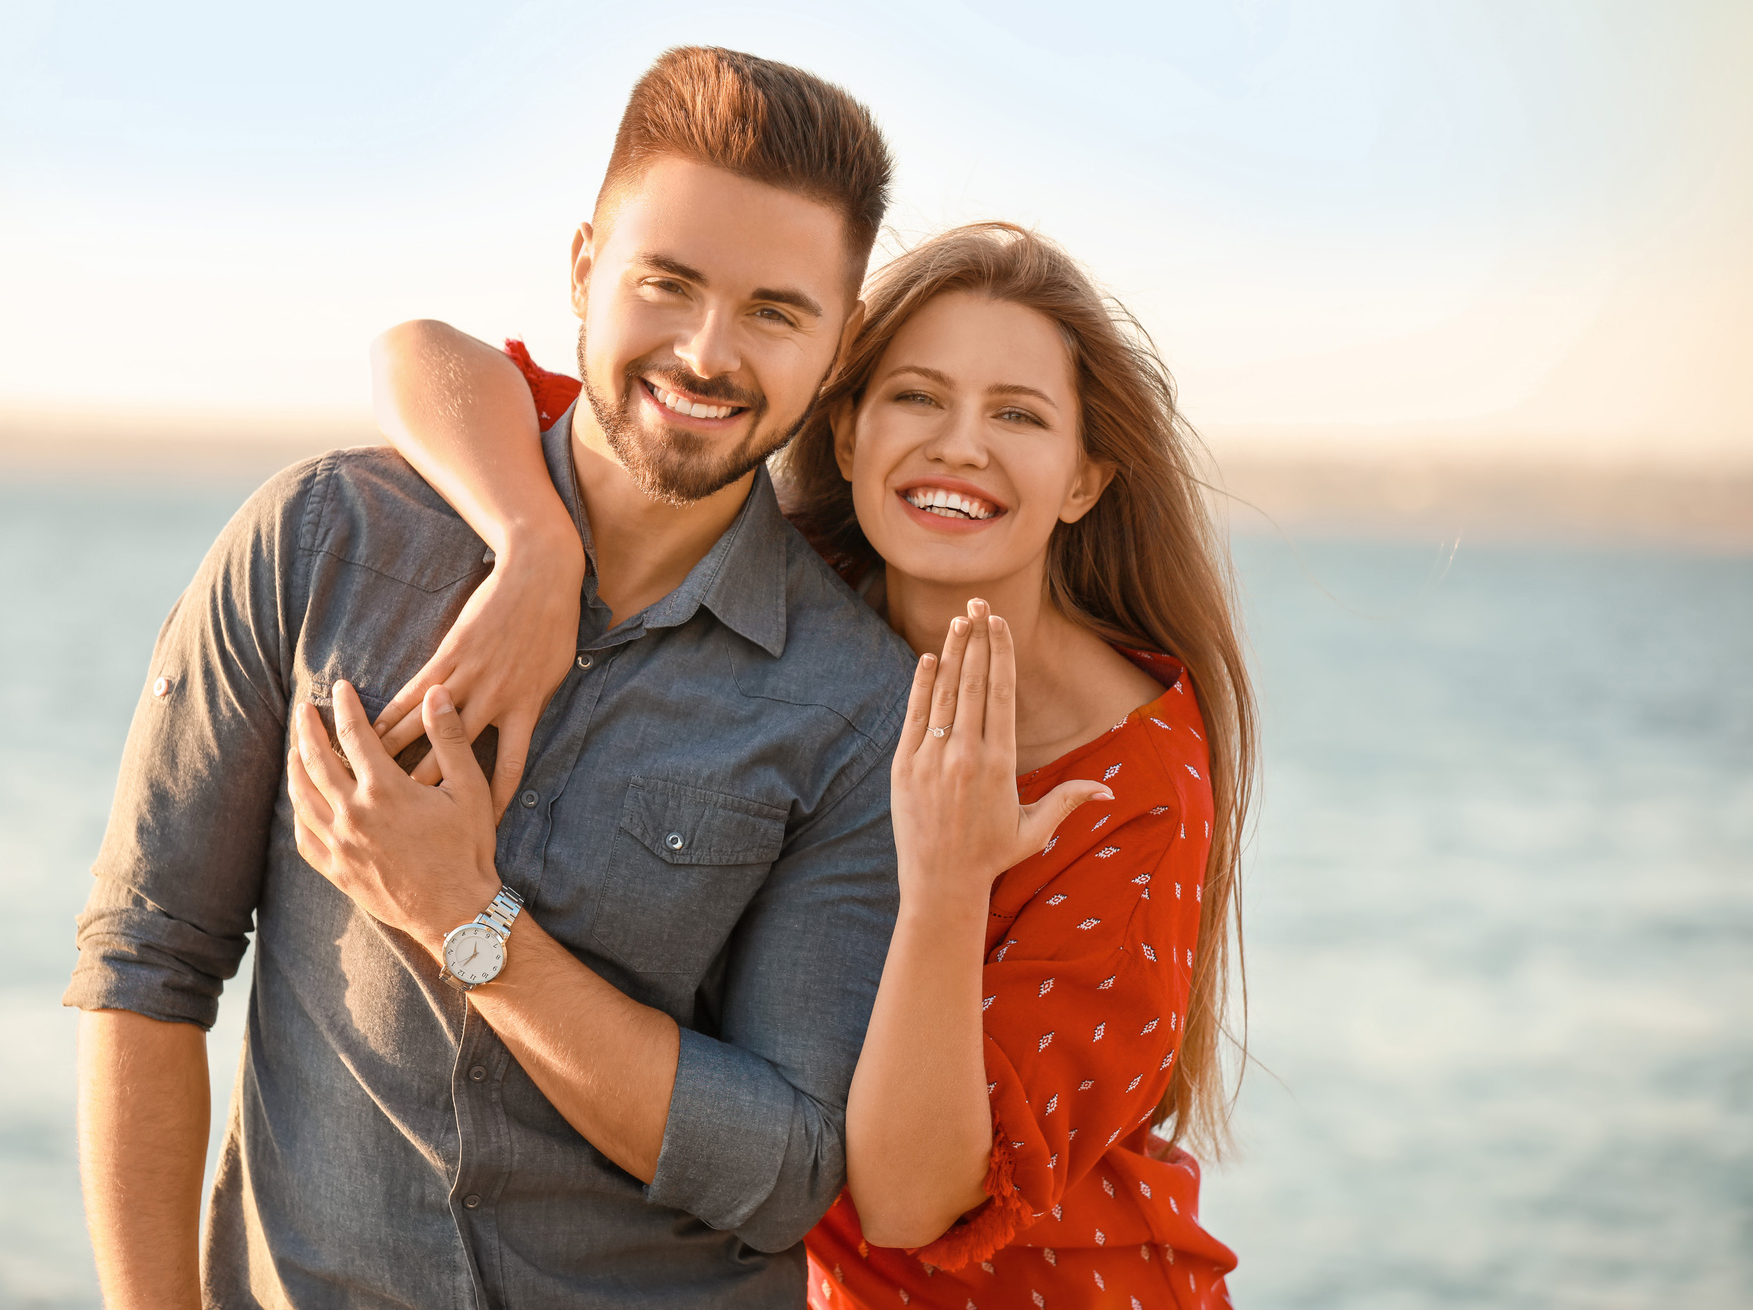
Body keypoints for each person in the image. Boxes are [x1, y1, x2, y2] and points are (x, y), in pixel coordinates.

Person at [63, 46, 912, 1309]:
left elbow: (786, 1162)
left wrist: (469, 921)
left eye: (775, 312)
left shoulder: (858, 702)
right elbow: (147, 964)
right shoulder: (323, 543)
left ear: (837, 343)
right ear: (584, 268)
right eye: (666, 284)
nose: (706, 352)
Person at [337, 222, 1256, 1308]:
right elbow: (427, 359)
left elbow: (915, 1203)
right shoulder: (786, 578)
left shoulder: (1132, 785)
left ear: (1083, 482)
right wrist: (534, 539)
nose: (961, 445)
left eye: (1018, 414)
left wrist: (950, 888)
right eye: (918, 397)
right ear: (852, 430)